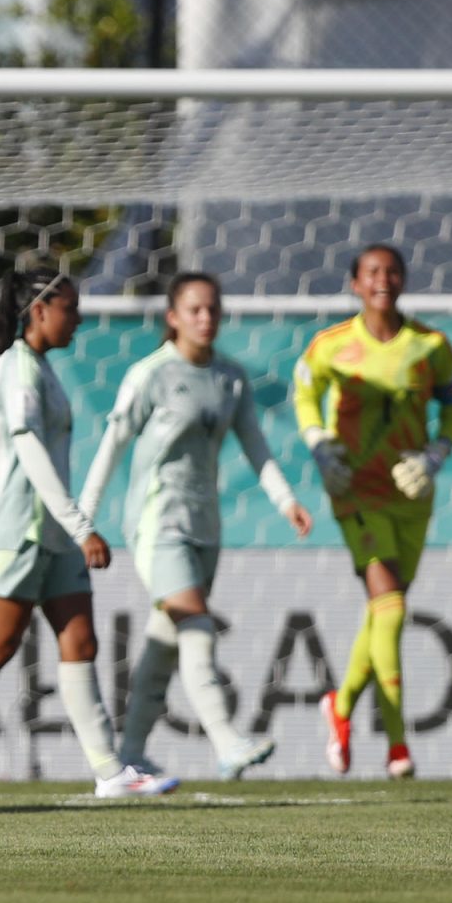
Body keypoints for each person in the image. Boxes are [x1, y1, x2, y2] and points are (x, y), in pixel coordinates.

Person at [0, 268, 177, 800]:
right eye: (70, 309)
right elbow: (23, 448)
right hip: (26, 529)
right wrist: (82, 526)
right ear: (40, 310)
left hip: (50, 531)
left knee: (80, 639)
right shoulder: (17, 369)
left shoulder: (38, 368)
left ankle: (110, 773)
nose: (77, 320)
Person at [77, 272, 312, 780]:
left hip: (207, 524)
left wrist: (286, 501)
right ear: (173, 317)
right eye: (194, 310)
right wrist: (83, 518)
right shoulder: (150, 375)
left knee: (166, 640)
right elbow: (112, 445)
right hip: (157, 519)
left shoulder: (231, 377)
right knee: (195, 622)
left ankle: (131, 752)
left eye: (212, 309)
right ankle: (227, 741)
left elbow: (254, 443)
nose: (205, 319)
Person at [294, 244, 452, 779]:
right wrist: (319, 441)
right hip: (355, 492)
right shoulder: (330, 346)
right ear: (354, 284)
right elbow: (305, 395)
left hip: (411, 496)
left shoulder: (431, 347)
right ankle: (396, 745)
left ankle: (339, 707)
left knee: (383, 611)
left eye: (392, 271)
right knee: (389, 609)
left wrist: (437, 453)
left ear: (405, 280)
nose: (383, 280)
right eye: (372, 272)